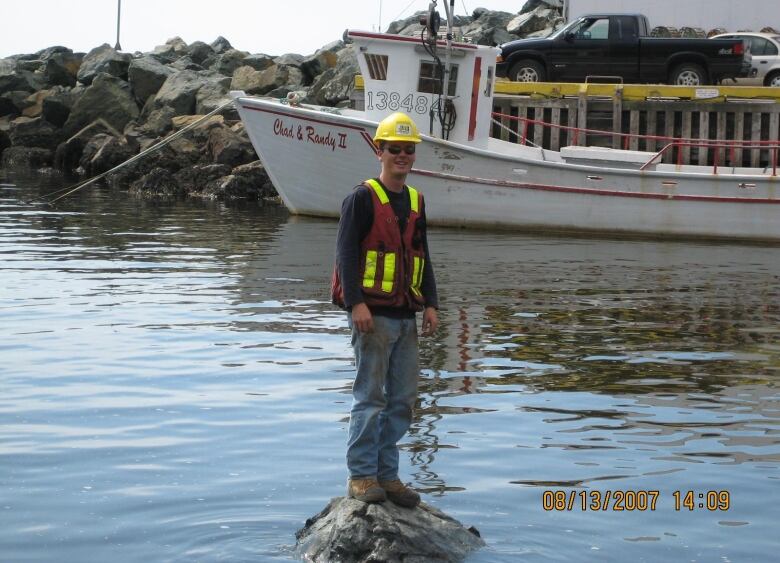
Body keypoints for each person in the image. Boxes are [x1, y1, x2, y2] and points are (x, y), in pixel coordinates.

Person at [331, 112, 439, 508]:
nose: (403, 156)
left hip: (405, 315)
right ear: (380, 151)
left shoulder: (415, 200)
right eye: (395, 149)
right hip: (371, 315)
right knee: (370, 397)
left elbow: (422, 254)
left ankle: (387, 475)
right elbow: (344, 252)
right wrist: (356, 302)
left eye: (408, 150)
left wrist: (431, 303)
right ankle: (361, 475)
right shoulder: (362, 197)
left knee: (402, 400)